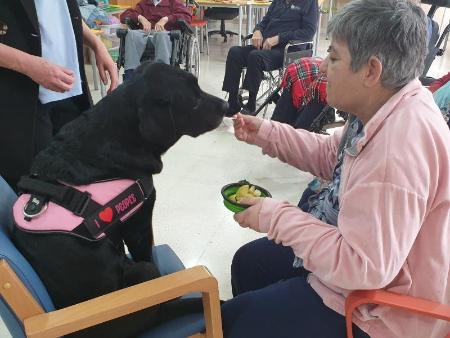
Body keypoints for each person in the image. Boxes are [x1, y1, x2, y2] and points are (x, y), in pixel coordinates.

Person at [222, 0, 450, 337]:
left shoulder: (398, 149)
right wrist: (267, 133)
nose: (323, 68)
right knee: (249, 262)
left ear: (372, 71)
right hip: (363, 266)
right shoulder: (386, 104)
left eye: (333, 58)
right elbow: (334, 155)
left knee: (235, 321)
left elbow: (361, 267)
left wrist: (274, 216)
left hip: (379, 310)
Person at [0, 0, 118, 190]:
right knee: (34, 191)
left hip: (69, 91)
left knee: (76, 184)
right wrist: (29, 65)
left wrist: (97, 44)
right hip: (23, 99)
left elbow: (60, 12)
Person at [222, 0, 319, 116]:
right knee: (235, 52)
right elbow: (265, 20)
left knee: (255, 56)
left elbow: (308, 32)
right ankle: (233, 102)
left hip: (287, 50)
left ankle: (251, 104)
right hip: (265, 46)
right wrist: (257, 30)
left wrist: (278, 38)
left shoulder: (309, 3)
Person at [119, 0, 191, 77]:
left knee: (161, 35)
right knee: (132, 34)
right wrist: (141, 18)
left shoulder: (173, 2)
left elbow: (187, 17)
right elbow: (124, 16)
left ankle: (161, 73)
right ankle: (130, 74)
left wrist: (166, 19)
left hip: (166, 33)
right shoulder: (144, 3)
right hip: (145, 33)